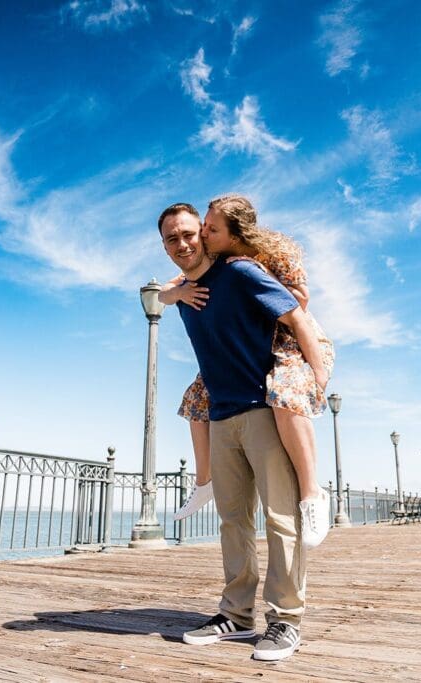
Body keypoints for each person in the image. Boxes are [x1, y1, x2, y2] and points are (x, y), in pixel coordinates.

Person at [158, 202, 320, 662]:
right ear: (165, 246)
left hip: (264, 410)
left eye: (191, 233)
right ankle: (237, 615)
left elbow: (295, 316)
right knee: (233, 522)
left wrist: (317, 379)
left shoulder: (241, 272)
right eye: (172, 238)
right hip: (220, 416)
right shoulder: (182, 289)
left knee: (280, 518)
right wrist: (172, 296)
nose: (183, 243)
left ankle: (286, 620)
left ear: (205, 234)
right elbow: (150, 296)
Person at [162, 195, 334, 549]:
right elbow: (160, 293)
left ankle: (312, 493)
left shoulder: (253, 263)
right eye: (204, 226)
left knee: (287, 399)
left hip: (294, 342)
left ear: (233, 233)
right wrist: (178, 293)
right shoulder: (215, 262)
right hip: (265, 346)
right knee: (196, 400)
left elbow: (300, 305)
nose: (203, 235)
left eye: (209, 229)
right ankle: (204, 482)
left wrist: (318, 375)